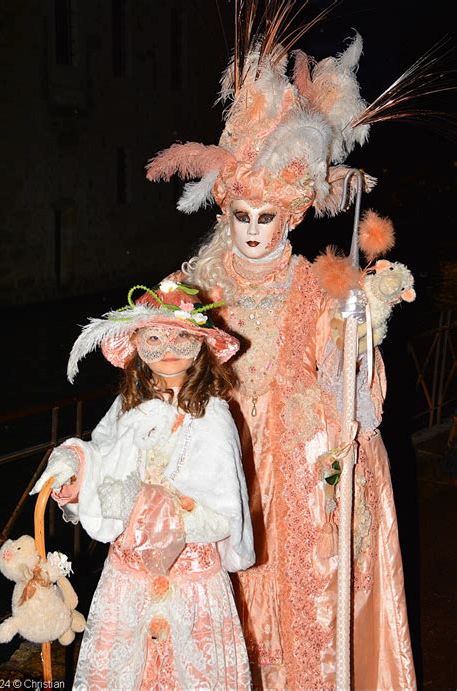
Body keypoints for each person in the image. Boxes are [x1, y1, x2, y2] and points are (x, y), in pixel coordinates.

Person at [145, 19, 418, 691]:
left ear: (291, 215)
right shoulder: (193, 288)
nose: (254, 231)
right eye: (242, 216)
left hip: (290, 484)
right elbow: (154, 384)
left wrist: (360, 334)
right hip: (214, 476)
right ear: (225, 211)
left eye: (267, 217)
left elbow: (354, 397)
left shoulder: (313, 289)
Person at [31, 280, 255, 690]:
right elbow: (101, 458)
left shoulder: (214, 415)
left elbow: (222, 514)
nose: (167, 349)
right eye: (153, 337)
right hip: (128, 581)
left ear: (200, 345)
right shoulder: (126, 407)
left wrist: (155, 507)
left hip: (191, 584)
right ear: (136, 344)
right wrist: (78, 479)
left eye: (181, 337)